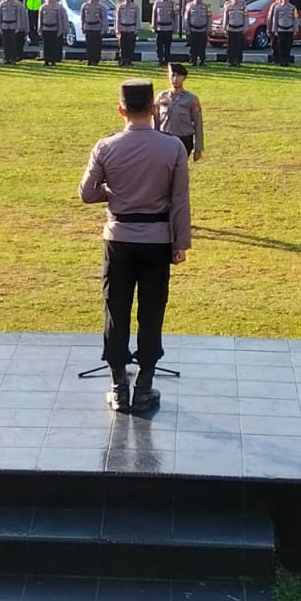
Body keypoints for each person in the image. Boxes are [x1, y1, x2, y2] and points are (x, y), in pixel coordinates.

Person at [79, 80, 191, 413]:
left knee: (116, 310)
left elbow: (86, 192)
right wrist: (180, 243)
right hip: (157, 239)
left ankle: (118, 386)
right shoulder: (172, 148)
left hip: (119, 238)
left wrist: (112, 195)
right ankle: (144, 386)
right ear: (153, 108)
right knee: (152, 310)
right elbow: (179, 200)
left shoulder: (105, 147)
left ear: (121, 109)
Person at [152, 62, 203, 162]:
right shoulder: (161, 97)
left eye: (178, 75)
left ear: (184, 78)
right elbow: (155, 122)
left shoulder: (192, 99)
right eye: (173, 75)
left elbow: (198, 124)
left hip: (184, 140)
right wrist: (153, 143)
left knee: (179, 169)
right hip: (164, 139)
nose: (175, 79)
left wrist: (198, 148)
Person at [0, 0, 25, 64]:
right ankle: (6, 58)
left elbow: (19, 16)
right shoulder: (2, 4)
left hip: (13, 25)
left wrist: (18, 27)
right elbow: (0, 16)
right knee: (6, 43)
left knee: (13, 43)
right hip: (5, 25)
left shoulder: (17, 4)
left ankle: (13, 58)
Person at [40, 0, 66, 66]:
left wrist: (60, 30)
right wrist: (39, 29)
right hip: (45, 28)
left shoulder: (59, 7)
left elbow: (61, 20)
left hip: (54, 28)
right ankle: (46, 60)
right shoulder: (43, 7)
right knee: (46, 45)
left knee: (54, 45)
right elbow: (40, 19)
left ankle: (53, 60)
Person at [151, 0, 177, 65]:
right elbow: (154, 15)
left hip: (168, 28)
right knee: (159, 45)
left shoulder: (172, 4)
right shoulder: (157, 3)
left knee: (167, 46)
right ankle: (160, 59)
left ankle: (167, 60)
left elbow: (175, 17)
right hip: (159, 28)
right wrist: (153, 26)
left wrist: (175, 27)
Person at [270, 0, 296, 66]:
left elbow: (295, 19)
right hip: (280, 30)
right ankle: (281, 61)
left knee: (288, 46)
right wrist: (274, 30)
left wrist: (295, 29)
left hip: (289, 29)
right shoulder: (277, 7)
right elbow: (275, 19)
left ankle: (286, 61)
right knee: (280, 46)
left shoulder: (293, 8)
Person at [222, 0, 246, 67]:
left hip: (240, 28)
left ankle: (238, 61)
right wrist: (224, 28)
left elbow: (246, 17)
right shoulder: (228, 5)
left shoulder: (243, 5)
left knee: (239, 46)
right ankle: (230, 60)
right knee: (230, 46)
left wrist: (245, 28)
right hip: (231, 28)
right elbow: (225, 17)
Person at [115, 0, 139, 65]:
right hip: (122, 28)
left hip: (131, 28)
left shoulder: (135, 7)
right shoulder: (120, 6)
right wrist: (117, 29)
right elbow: (117, 18)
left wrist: (136, 29)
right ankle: (122, 60)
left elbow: (137, 18)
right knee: (122, 46)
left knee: (130, 46)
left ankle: (129, 60)